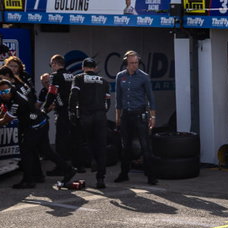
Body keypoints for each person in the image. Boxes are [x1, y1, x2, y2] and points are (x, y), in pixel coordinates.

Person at [113, 50, 157, 186]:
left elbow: (151, 98)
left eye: (136, 62)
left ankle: (151, 176)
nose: (134, 65)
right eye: (131, 63)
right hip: (126, 115)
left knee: (145, 146)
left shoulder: (144, 77)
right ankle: (124, 173)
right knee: (125, 146)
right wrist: (118, 117)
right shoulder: (120, 76)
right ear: (126, 63)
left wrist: (153, 117)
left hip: (140, 115)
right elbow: (118, 99)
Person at [0, 65, 45, 190]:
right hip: (32, 120)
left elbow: (6, 116)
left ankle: (29, 180)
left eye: (1, 78)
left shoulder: (15, 91)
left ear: (7, 77)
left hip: (31, 122)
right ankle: (37, 175)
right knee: (33, 151)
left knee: (26, 152)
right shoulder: (19, 85)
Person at [68, 57, 112, 189]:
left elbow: (73, 96)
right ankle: (101, 178)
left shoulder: (78, 78)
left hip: (85, 116)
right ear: (95, 68)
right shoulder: (104, 81)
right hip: (100, 116)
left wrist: (72, 112)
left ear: (83, 68)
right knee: (101, 146)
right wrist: (102, 112)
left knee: (84, 142)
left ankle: (89, 162)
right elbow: (108, 102)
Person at [44, 54, 75, 177]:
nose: (51, 67)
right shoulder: (71, 75)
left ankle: (61, 167)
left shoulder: (55, 75)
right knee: (69, 139)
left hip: (62, 111)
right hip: (71, 111)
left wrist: (44, 108)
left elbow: (52, 93)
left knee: (60, 141)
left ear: (55, 63)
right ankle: (70, 164)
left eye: (51, 64)